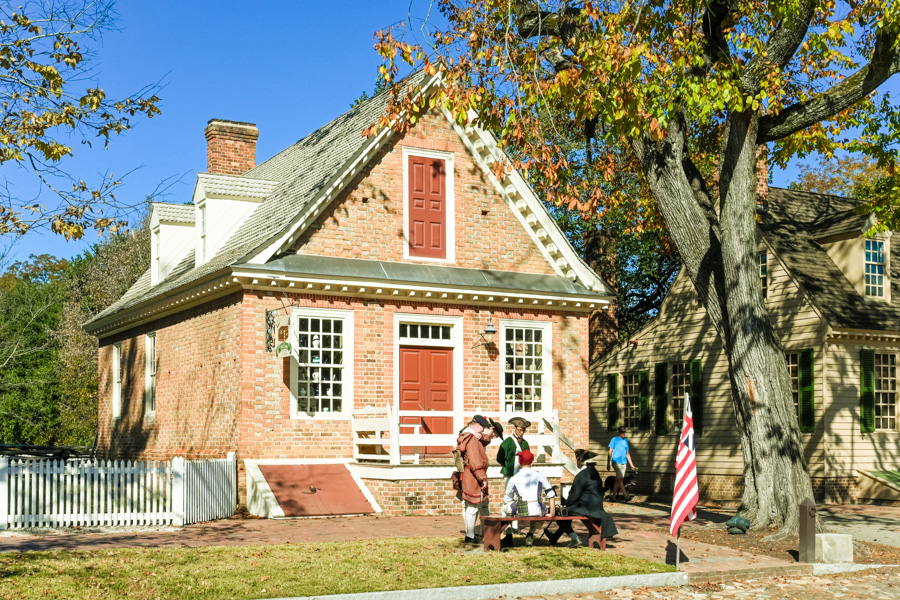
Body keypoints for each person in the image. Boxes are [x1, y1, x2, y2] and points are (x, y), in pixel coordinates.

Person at [547, 449, 619, 547]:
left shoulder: (581, 475)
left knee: (560, 515)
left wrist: (566, 505)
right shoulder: (594, 472)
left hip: (586, 508)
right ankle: (554, 538)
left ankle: (574, 538)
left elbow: (573, 495)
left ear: (580, 462)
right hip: (596, 507)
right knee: (567, 515)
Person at [457, 415, 499, 544]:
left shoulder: (470, 435)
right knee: (472, 506)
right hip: (473, 474)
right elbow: (475, 460)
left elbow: (486, 440)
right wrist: (482, 478)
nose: (483, 431)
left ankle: (472, 534)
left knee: (474, 505)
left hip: (470, 473)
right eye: (482, 428)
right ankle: (470, 536)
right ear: (477, 426)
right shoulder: (471, 439)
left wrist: (482, 436)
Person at [501, 449, 556, 547]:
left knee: (504, 508)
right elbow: (551, 494)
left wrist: (512, 503)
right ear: (531, 462)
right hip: (538, 510)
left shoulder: (514, 478)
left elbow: (507, 499)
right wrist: (552, 513)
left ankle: (508, 535)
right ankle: (530, 533)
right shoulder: (539, 474)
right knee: (539, 510)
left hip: (520, 510)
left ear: (520, 462)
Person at [497, 416, 531, 545]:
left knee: (519, 499)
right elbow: (500, 457)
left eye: (523, 430)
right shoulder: (508, 442)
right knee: (509, 499)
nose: (521, 432)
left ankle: (515, 526)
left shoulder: (525, 443)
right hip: (510, 474)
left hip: (521, 475)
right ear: (515, 429)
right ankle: (507, 526)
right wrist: (507, 466)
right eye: (519, 430)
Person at [607, 426, 637, 501]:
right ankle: (626, 496)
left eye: (624, 432)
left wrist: (631, 465)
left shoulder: (626, 440)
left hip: (624, 462)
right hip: (616, 462)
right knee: (620, 479)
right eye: (622, 432)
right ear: (619, 432)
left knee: (618, 480)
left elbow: (628, 454)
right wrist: (608, 463)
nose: (624, 433)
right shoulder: (614, 440)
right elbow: (610, 452)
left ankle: (613, 497)